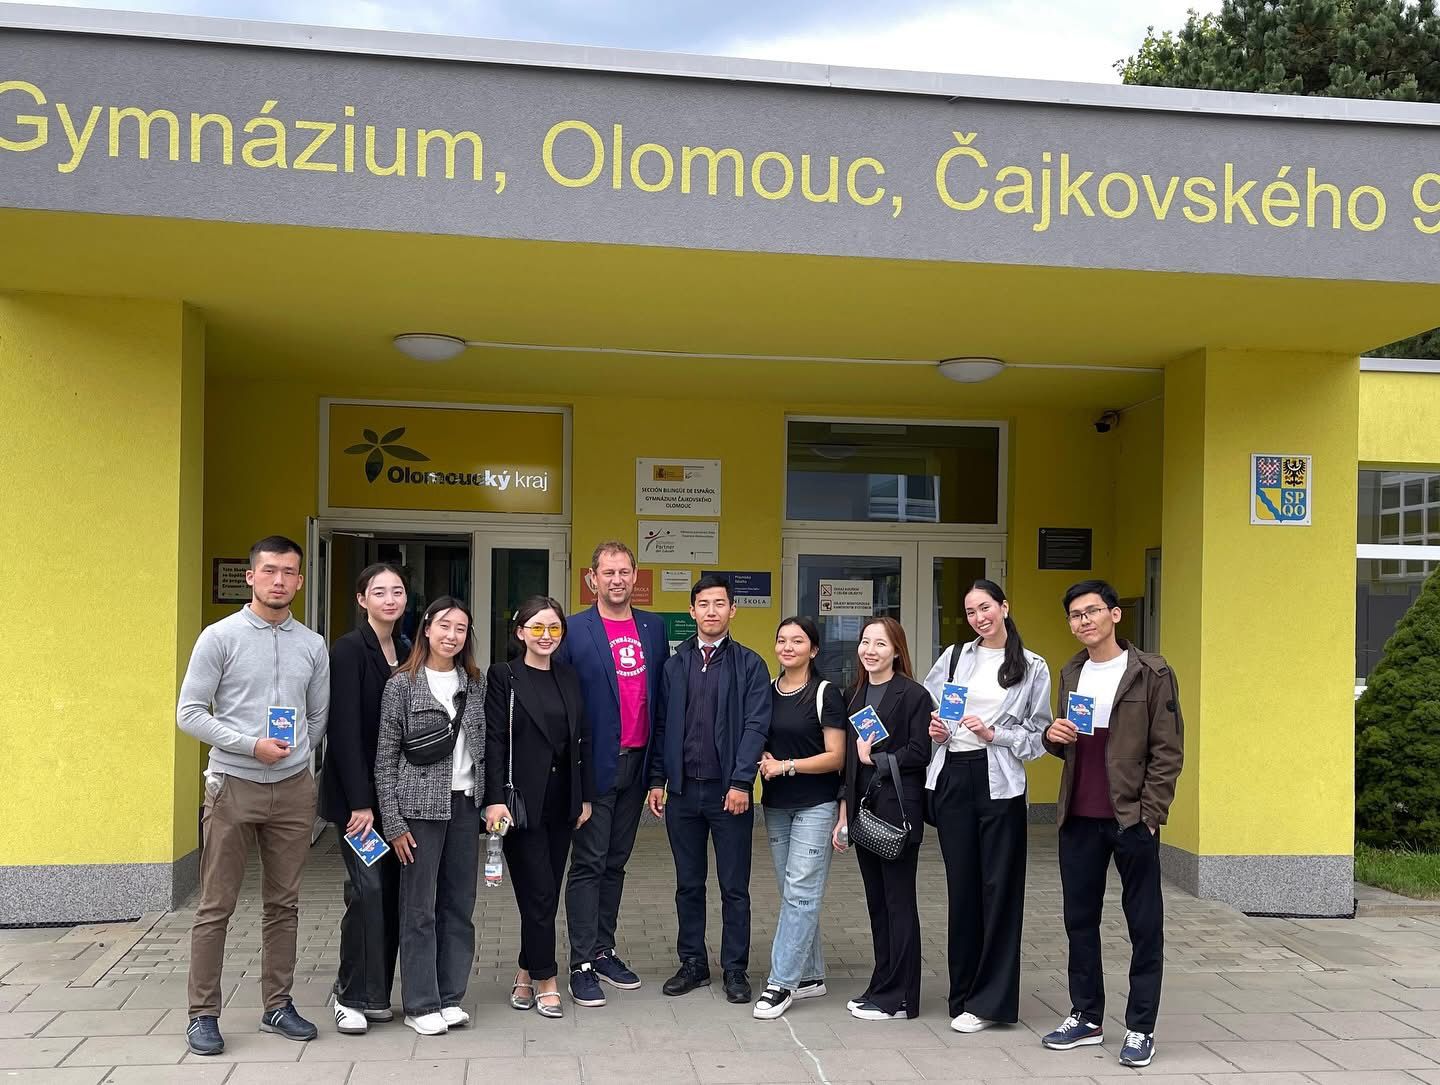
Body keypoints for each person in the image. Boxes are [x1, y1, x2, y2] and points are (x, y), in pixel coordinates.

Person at [177, 535, 330, 1057]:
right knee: (215, 905)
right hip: (233, 784)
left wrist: (295, 758)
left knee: (284, 904)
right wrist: (250, 746)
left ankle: (277, 1005)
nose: (279, 580)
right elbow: (189, 713)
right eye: (269, 571)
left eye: (288, 572)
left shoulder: (312, 644)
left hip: (292, 789)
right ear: (251, 577)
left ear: (300, 581)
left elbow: (318, 716)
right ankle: (202, 1014)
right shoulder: (219, 637)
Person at [1040, 579, 1183, 1070]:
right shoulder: (1071, 672)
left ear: (1115, 615)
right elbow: (1068, 742)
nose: (1084, 621)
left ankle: (1141, 1026)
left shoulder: (1151, 672)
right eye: (1075, 615)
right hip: (1079, 816)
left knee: (1144, 924)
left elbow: (1168, 751)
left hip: (1130, 819)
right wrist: (1052, 736)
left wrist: (1150, 816)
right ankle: (1086, 1016)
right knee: (1080, 921)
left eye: (1092, 611)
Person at [922, 580, 1051, 1035]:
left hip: (1000, 785)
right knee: (962, 889)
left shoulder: (1032, 666)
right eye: (971, 611)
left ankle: (991, 1001)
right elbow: (933, 709)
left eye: (985, 607)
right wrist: (939, 730)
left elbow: (1039, 737)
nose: (979, 618)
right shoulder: (956, 656)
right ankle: (963, 995)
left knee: (1000, 891)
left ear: (1004, 607)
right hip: (953, 776)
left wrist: (996, 735)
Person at [647, 574, 772, 1004]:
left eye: (720, 603)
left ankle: (735, 968)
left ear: (732, 610)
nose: (712, 611)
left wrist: (741, 782)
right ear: (692, 611)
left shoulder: (750, 665)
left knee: (734, 887)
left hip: (728, 794)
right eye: (704, 604)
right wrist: (657, 780)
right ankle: (693, 964)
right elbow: (661, 726)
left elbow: (756, 726)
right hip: (682, 794)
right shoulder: (675, 664)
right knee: (688, 884)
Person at [555, 541, 669, 1008]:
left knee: (615, 862)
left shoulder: (654, 628)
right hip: (593, 765)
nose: (617, 580)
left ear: (635, 576)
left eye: (624, 572)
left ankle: (603, 950)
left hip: (637, 765)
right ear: (593, 578)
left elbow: (659, 703)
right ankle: (581, 963)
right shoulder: (574, 630)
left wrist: (657, 776)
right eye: (608, 572)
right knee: (588, 863)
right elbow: (562, 704)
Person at [374, 596, 487, 1037]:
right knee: (418, 908)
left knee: (459, 905)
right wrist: (393, 822)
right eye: (444, 625)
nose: (451, 635)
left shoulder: (473, 682)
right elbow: (385, 760)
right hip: (418, 809)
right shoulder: (401, 685)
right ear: (426, 628)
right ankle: (420, 1003)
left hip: (465, 805)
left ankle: (450, 996)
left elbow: (484, 747)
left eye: (460, 628)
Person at [484, 596, 593, 1020]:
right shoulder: (504, 676)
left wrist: (583, 795)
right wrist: (494, 799)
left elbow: (580, 740)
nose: (546, 635)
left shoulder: (569, 676)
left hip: (562, 802)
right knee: (540, 893)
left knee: (543, 895)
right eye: (537, 627)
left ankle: (526, 971)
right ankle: (547, 979)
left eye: (554, 628)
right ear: (520, 632)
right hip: (520, 804)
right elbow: (495, 740)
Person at [320, 562, 410, 1034]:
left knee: (392, 894)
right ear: (362, 600)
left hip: (398, 799)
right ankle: (348, 994)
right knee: (367, 890)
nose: (389, 600)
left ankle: (377, 994)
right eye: (379, 592)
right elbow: (343, 731)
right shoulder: (349, 650)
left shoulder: (408, 648)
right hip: (359, 803)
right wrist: (361, 802)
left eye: (397, 591)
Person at [836, 616, 932, 1022]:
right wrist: (843, 812)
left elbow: (920, 752)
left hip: (897, 812)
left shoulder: (914, 695)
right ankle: (882, 985)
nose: (870, 650)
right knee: (877, 903)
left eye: (880, 643)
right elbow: (848, 763)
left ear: (896, 650)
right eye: (865, 642)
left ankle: (902, 997)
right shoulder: (854, 694)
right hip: (864, 811)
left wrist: (874, 758)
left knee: (898, 903)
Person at [752, 616, 846, 1020]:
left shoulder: (825, 693)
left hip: (816, 804)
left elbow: (836, 757)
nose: (788, 647)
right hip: (776, 805)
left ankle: (781, 982)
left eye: (797, 641)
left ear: (814, 649)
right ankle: (810, 976)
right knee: (793, 891)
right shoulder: (766, 691)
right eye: (782, 640)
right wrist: (761, 757)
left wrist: (787, 765)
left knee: (801, 891)